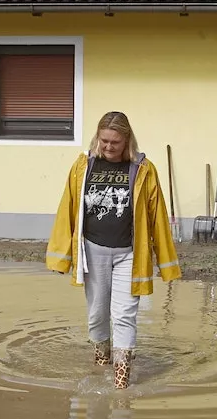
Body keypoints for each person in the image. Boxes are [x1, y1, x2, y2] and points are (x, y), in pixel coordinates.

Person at [46, 111, 181, 389]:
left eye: (115, 142)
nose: (108, 147)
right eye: (104, 140)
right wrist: (62, 258)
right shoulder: (83, 166)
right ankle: (101, 365)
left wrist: (166, 264)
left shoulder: (143, 169)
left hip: (130, 254)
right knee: (97, 314)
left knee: (123, 316)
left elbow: (157, 215)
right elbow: (67, 209)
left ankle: (121, 383)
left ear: (127, 140)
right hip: (93, 251)